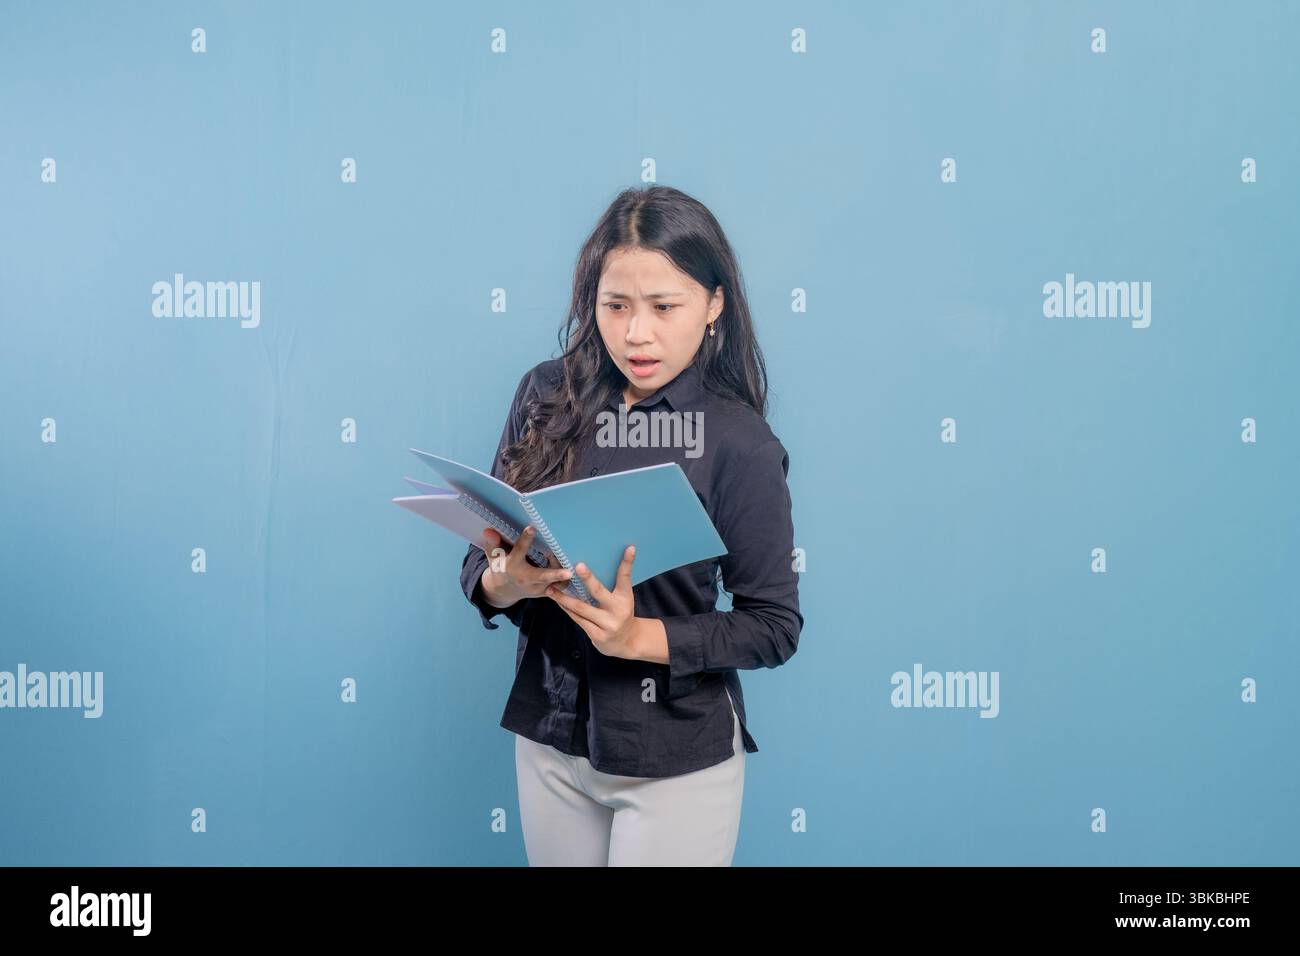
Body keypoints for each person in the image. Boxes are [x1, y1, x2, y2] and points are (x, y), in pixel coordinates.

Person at [459, 184, 802, 866]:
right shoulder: (544, 394)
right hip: (551, 734)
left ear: (713, 306)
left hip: (674, 753)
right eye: (615, 306)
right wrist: (509, 580)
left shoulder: (739, 442)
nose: (636, 333)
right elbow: (479, 572)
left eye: (664, 307)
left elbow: (774, 626)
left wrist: (638, 636)